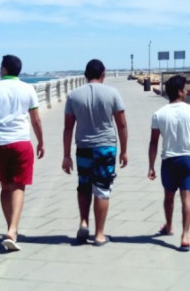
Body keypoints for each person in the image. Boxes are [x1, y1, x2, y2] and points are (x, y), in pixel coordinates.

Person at [0, 55, 45, 252]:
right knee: (18, 187)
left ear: (4, 69)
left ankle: (10, 227)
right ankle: (13, 229)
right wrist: (41, 141)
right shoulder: (28, 89)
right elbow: (36, 120)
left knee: (5, 186)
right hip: (21, 143)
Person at [62, 59, 128, 246]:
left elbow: (68, 128)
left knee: (84, 186)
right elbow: (121, 124)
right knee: (102, 189)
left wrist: (66, 155)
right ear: (103, 75)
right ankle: (99, 234)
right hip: (105, 147)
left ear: (85, 75)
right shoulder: (112, 93)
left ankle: (84, 222)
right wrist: (124, 151)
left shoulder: (74, 95)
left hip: (83, 147)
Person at [148, 75, 190, 252]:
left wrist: (151, 165)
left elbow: (153, 142)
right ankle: (185, 236)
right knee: (187, 198)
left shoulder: (159, 114)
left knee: (168, 197)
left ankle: (169, 225)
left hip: (169, 160)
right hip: (188, 159)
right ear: (180, 92)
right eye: (185, 88)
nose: (187, 91)